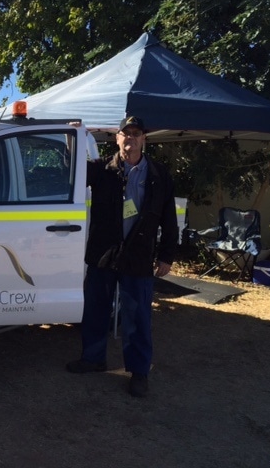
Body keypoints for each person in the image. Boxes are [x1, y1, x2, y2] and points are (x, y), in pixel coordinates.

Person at [66, 116, 178, 398]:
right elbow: (72, 169)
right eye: (125, 134)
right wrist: (71, 138)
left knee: (137, 317)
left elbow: (169, 218)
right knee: (95, 311)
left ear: (144, 139)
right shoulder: (102, 169)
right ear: (116, 139)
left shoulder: (159, 174)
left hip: (138, 256)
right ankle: (93, 358)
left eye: (136, 133)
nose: (131, 138)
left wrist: (166, 255)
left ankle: (139, 372)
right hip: (104, 253)